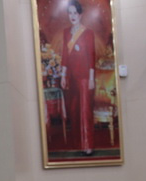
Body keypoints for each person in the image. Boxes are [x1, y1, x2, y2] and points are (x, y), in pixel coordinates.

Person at [60, 0, 96, 155]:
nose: (72, 16)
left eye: (75, 13)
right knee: (74, 111)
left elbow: (91, 56)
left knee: (85, 111)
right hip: (71, 78)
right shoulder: (66, 33)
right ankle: (78, 143)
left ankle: (88, 145)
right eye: (70, 13)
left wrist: (91, 78)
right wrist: (63, 75)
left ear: (80, 15)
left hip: (85, 78)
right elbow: (64, 56)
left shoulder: (88, 33)